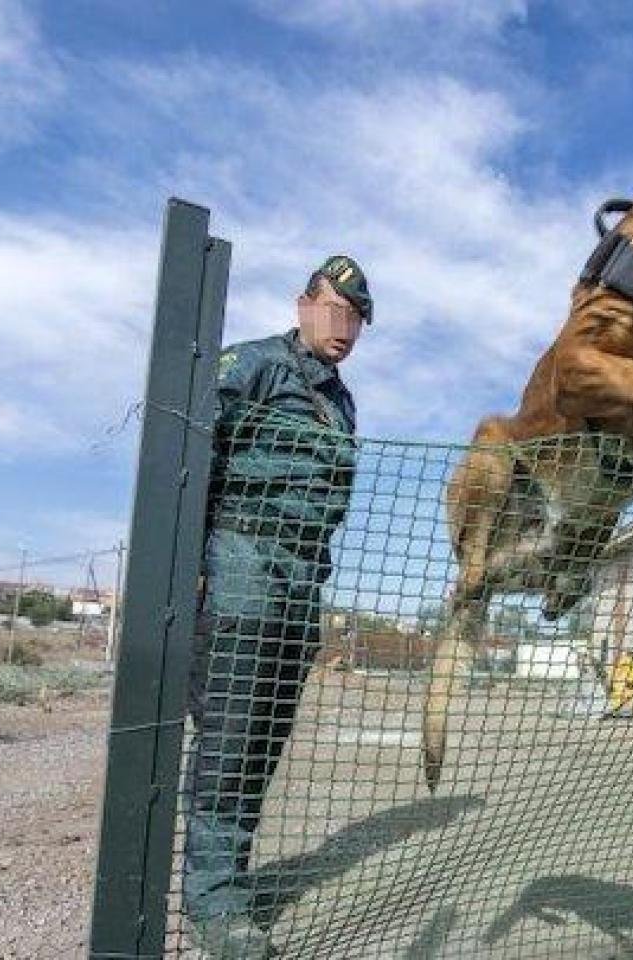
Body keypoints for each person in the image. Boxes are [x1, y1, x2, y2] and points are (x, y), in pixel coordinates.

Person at [181, 254, 370, 954]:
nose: (345, 326)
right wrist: (189, 570)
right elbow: (190, 457)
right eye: (335, 309)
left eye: (357, 319)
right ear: (303, 304)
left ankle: (228, 878)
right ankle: (213, 903)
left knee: (264, 742)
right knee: (230, 740)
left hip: (301, 583)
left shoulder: (340, 398)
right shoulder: (254, 366)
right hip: (242, 566)